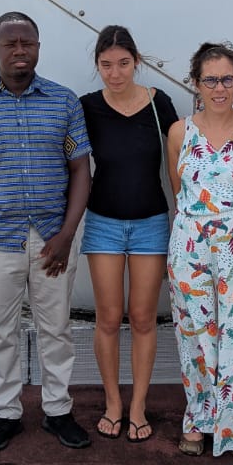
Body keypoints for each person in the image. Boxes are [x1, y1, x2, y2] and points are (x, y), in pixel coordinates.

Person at [0, 12, 93, 453]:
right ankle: (6, 413)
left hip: (52, 240)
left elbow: (80, 169)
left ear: (39, 47)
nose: (20, 50)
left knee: (56, 330)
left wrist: (67, 234)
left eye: (28, 42)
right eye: (10, 44)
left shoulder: (64, 103)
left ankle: (58, 410)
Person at [167, 41, 233, 457]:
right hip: (189, 243)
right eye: (210, 80)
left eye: (227, 79)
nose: (219, 88)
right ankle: (199, 419)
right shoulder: (179, 132)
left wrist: (228, 222)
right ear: (195, 83)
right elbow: (180, 189)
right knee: (195, 330)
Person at [80, 26, 179, 443]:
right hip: (102, 222)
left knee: (141, 317)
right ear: (97, 65)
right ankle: (113, 403)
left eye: (123, 64)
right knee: (107, 318)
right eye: (106, 65)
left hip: (150, 223)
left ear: (136, 62)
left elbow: (182, 159)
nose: (115, 73)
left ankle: (137, 405)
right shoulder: (87, 106)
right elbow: (71, 163)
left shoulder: (159, 103)